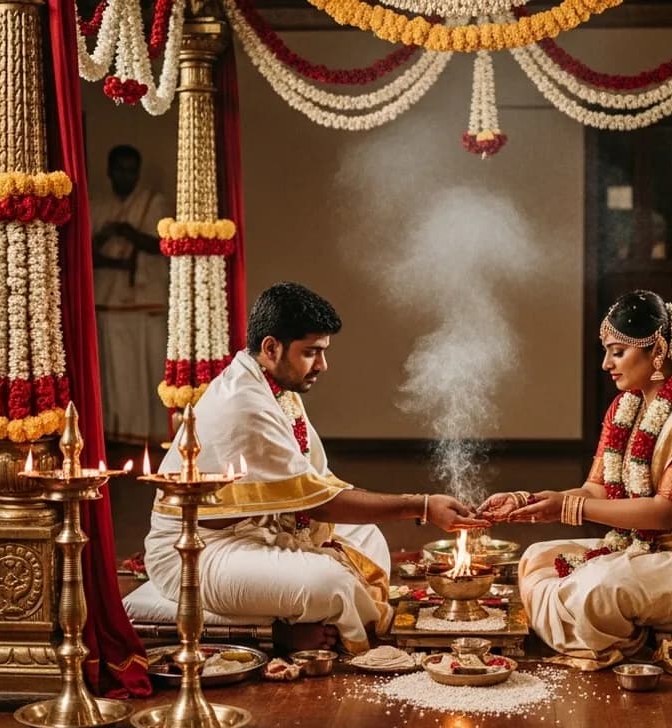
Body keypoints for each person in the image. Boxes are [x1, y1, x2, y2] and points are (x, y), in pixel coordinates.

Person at [142, 283, 485, 653]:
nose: (322, 365)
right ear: (271, 348)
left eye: (323, 351)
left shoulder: (272, 387)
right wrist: (421, 506)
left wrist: (415, 505)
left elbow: (317, 483)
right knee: (330, 583)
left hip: (259, 530)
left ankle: (319, 619)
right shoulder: (245, 404)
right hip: (196, 554)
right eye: (311, 352)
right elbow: (319, 503)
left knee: (366, 536)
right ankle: (279, 634)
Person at [479, 290, 672, 670]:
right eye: (607, 352)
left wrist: (568, 508)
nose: (606, 364)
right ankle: (602, 633)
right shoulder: (627, 405)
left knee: (596, 591)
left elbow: (665, 513)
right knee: (535, 558)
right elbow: (596, 490)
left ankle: (622, 645)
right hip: (652, 550)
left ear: (657, 350)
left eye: (618, 352)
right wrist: (529, 500)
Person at [91, 145, 170, 444]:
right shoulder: (98, 206)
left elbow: (162, 245)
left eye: (131, 170)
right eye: (120, 170)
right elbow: (85, 252)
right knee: (117, 374)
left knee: (151, 370)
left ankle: (154, 435)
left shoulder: (153, 202)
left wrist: (126, 231)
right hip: (108, 300)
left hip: (147, 301)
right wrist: (109, 242)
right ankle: (118, 435)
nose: (126, 176)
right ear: (110, 172)